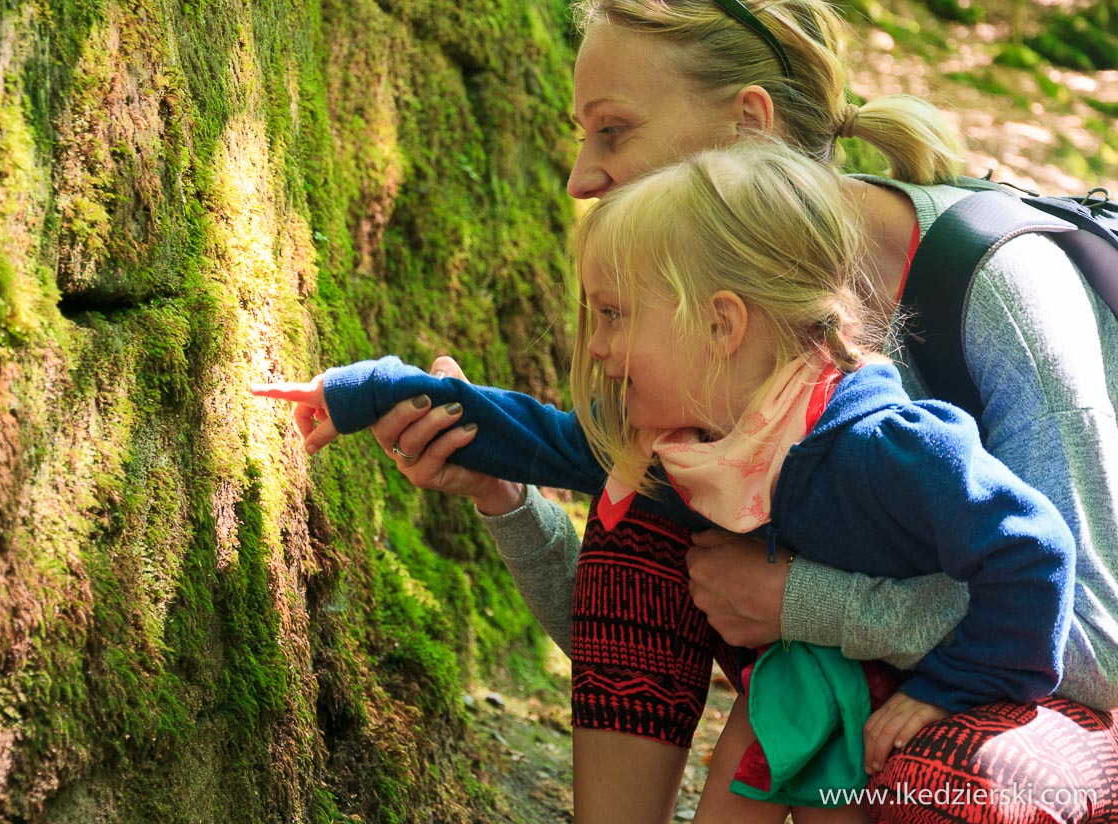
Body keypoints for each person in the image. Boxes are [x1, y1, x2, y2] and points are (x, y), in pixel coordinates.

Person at [283, 1, 1118, 821]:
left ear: (749, 128)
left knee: (963, 785)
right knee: (642, 476)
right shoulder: (699, 347)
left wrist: (808, 603)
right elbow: (640, 634)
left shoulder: (994, 290)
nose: (581, 177)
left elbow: (1097, 648)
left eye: (614, 129)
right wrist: (506, 498)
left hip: (1046, 697)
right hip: (865, 669)